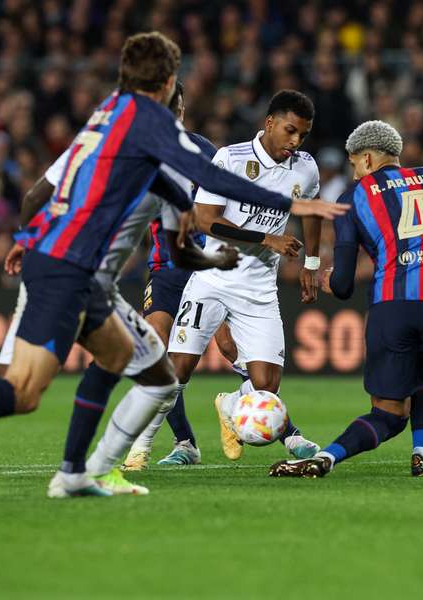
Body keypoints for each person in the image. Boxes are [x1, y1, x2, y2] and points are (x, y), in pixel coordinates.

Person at [0, 31, 348, 501]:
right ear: (165, 83)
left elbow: (42, 192)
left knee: (148, 372)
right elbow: (203, 178)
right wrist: (296, 207)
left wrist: (26, 239)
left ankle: (78, 473)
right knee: (21, 390)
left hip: (76, 271)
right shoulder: (152, 121)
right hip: (69, 271)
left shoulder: (104, 118)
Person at [269, 120, 423, 478]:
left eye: (354, 163)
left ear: (368, 159)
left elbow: (342, 285)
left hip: (394, 306)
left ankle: (326, 458)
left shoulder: (353, 197)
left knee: (387, 412)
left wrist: (327, 281)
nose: (354, 172)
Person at [164, 90, 325, 463]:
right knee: (178, 370)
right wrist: (267, 238)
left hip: (258, 288)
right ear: (269, 123)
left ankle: (231, 404)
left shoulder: (305, 167)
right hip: (213, 278)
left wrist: (312, 264)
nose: (296, 141)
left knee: (266, 389)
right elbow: (208, 220)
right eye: (290, 131)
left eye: (303, 134)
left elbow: (312, 211)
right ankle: (160, 447)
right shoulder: (230, 158)